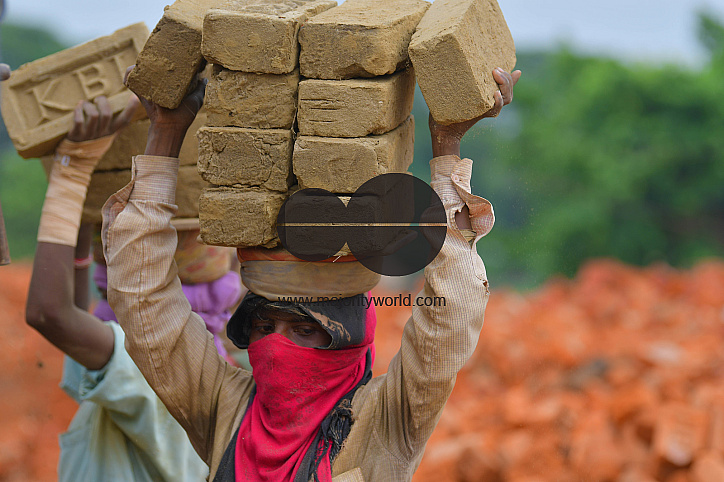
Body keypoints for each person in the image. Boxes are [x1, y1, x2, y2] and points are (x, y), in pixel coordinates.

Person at [102, 67, 521, 481]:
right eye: (265, 326)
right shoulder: (222, 407)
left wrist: (447, 146)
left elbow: (448, 323)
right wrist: (166, 132)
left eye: (304, 330)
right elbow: (143, 302)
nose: (276, 347)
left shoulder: (386, 421)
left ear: (350, 336)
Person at [24, 93, 240, 481]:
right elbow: (83, 320)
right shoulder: (209, 370)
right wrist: (86, 209)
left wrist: (71, 173)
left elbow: (51, 313)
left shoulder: (162, 377)